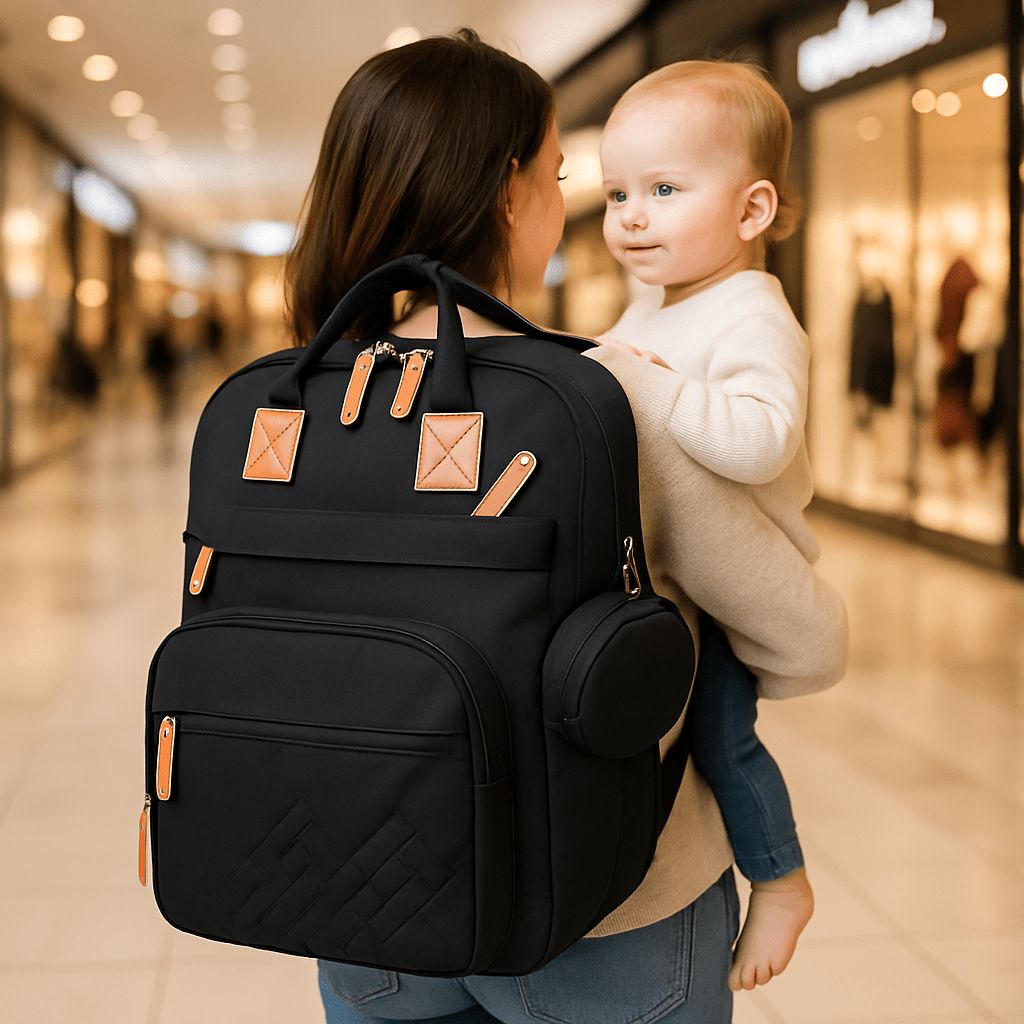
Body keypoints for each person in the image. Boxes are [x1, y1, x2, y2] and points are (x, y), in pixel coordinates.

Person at [288, 29, 742, 1024]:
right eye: (558, 171)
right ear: (506, 192)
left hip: (362, 880)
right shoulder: (604, 392)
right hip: (602, 897)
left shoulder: (302, 400)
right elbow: (790, 631)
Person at [586, 59, 848, 991]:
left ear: (751, 211)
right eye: (618, 192)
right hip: (676, 580)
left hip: (738, 590)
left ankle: (780, 879)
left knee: (722, 739)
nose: (632, 215)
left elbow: (758, 440)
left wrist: (646, 378)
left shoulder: (755, 313)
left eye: (663, 189)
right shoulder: (662, 298)